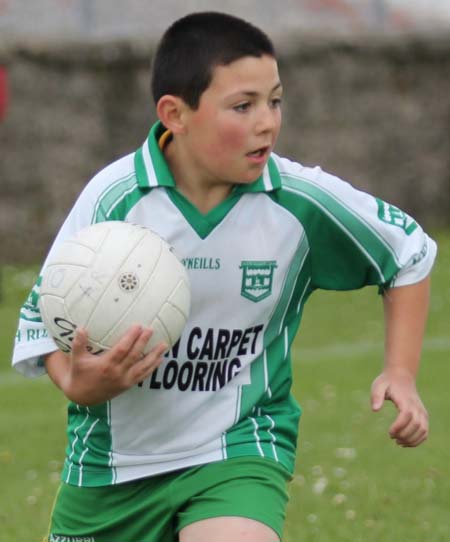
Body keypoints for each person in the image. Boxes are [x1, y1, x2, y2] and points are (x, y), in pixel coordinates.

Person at [12, 11, 436, 542]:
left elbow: (408, 253)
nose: (267, 122)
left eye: (275, 101)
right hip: (110, 469)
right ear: (175, 114)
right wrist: (76, 381)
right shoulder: (113, 199)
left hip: (237, 450)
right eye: (243, 106)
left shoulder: (299, 201)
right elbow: (42, 321)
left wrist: (400, 372)